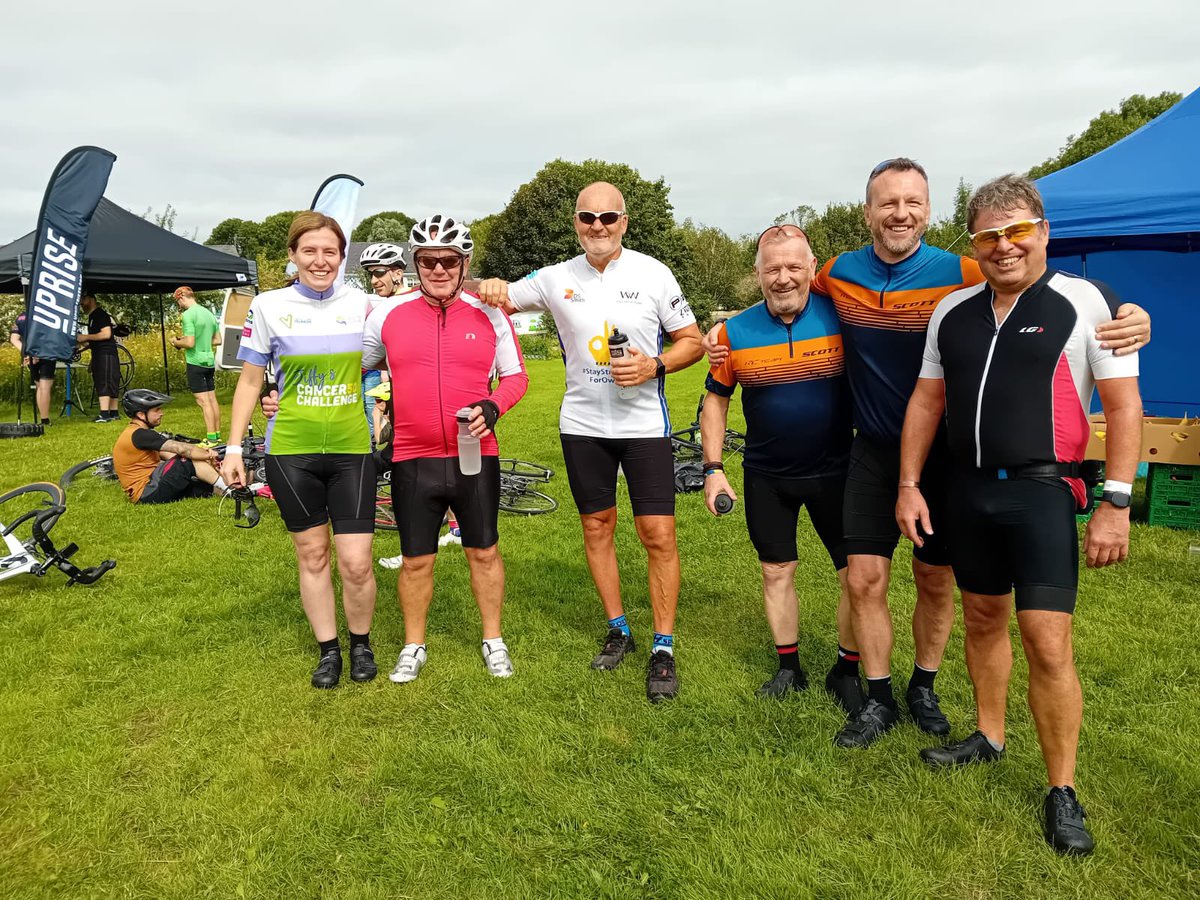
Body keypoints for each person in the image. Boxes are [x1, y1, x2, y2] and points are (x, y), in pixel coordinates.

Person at [704, 158, 1151, 747]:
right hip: (873, 450)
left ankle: (924, 683)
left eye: (912, 202)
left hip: (946, 457)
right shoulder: (836, 272)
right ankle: (880, 697)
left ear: (929, 210)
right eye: (887, 203)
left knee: (934, 580)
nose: (900, 214)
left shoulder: (962, 269)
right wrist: (723, 332)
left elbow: (1040, 281)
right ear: (867, 212)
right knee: (864, 578)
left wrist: (1124, 307)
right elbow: (781, 287)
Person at [896, 174, 1141, 856]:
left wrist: (1116, 501)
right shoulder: (953, 311)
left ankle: (1062, 789)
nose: (1004, 247)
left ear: (1043, 231)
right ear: (973, 242)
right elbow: (925, 401)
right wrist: (910, 484)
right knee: (981, 618)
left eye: (1016, 232)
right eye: (988, 236)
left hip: (1043, 491)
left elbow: (1123, 406)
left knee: (1048, 641)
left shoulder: (1085, 302)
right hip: (966, 492)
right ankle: (990, 733)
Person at [477, 181, 704, 703]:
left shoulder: (653, 273)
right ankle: (618, 627)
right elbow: (501, 296)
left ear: (624, 222)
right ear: (575, 223)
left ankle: (663, 646)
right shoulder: (556, 278)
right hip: (582, 426)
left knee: (658, 535)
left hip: (644, 425)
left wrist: (654, 364)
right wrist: (489, 284)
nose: (597, 226)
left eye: (608, 217)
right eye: (587, 217)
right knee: (597, 526)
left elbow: (691, 340)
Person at [362, 214, 528, 684]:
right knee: (416, 559)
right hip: (413, 456)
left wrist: (493, 407)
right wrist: (281, 388)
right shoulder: (387, 314)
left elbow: (516, 376)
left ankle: (493, 638)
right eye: (428, 260)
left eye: (448, 260)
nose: (438, 268)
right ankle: (414, 645)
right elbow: (355, 363)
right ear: (415, 264)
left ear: (463, 262)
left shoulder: (489, 313)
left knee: (484, 551)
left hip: (476, 453)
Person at [702, 225, 862, 710]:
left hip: (839, 471)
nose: (784, 277)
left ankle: (848, 668)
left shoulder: (844, 316)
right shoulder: (734, 331)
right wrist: (713, 468)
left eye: (794, 266)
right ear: (757, 274)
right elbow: (715, 402)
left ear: (813, 268)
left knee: (854, 576)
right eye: (772, 268)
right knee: (776, 571)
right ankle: (788, 667)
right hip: (768, 474)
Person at [220, 211, 378, 690]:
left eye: (330, 251)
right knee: (312, 556)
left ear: (342, 256)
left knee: (356, 561)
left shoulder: (366, 305)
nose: (320, 260)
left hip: (352, 448)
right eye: (309, 250)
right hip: (290, 450)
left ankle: (361, 643)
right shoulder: (268, 306)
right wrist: (232, 448)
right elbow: (250, 380)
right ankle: (328, 650)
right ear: (293, 256)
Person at [113, 389, 225, 504]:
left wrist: (203, 457)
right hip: (148, 491)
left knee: (201, 485)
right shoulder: (140, 435)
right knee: (186, 459)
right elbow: (182, 450)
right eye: (157, 410)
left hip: (150, 490)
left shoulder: (136, 433)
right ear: (141, 414)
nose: (162, 413)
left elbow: (170, 455)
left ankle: (230, 489)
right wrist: (209, 454)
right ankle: (229, 489)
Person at [357, 242, 405, 443]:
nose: (373, 281)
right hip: (396, 391)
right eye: (371, 275)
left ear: (397, 274)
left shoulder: (404, 306)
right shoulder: (384, 309)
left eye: (378, 273)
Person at [169, 286, 222, 445]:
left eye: (178, 302)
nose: (179, 306)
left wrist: (175, 342)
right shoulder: (208, 313)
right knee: (212, 399)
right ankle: (217, 434)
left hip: (195, 362)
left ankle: (211, 438)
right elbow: (218, 340)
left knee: (203, 401)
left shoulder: (188, 315)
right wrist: (203, 341)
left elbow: (189, 342)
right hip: (209, 361)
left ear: (181, 298)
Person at [79, 292, 121, 422]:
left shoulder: (100, 314)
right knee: (109, 381)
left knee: (105, 381)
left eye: (83, 299)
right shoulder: (92, 316)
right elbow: (96, 340)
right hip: (100, 353)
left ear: (92, 299)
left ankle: (104, 414)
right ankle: (113, 413)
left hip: (106, 354)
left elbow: (106, 334)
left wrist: (85, 337)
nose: (81, 303)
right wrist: (82, 349)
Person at [9, 311, 55, 426]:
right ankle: (45, 420)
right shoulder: (48, 314)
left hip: (30, 355)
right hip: (46, 353)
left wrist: (27, 353)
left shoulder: (21, 316)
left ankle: (43, 419)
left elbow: (14, 339)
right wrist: (33, 354)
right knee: (44, 386)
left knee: (39, 385)